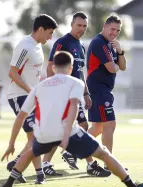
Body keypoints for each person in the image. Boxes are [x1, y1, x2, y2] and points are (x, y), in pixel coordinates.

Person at [0, 51, 143, 187]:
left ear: (53, 67)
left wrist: (11, 144)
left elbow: (21, 116)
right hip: (69, 133)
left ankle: (7, 185)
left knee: (31, 152)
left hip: (44, 133)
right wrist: (65, 135)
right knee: (103, 153)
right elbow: (73, 106)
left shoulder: (40, 86)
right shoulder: (76, 82)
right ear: (71, 68)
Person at [46, 12, 110, 177]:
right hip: (63, 93)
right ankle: (90, 164)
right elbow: (50, 66)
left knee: (78, 127)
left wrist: (86, 93)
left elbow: (80, 73)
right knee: (81, 126)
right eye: (78, 25)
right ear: (72, 25)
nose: (81, 29)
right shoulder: (62, 43)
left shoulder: (81, 46)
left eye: (84, 26)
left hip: (75, 94)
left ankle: (51, 161)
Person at [6, 14, 59, 184]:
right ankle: (39, 174)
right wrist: (31, 91)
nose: (51, 37)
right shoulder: (25, 46)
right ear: (41, 29)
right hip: (19, 96)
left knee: (41, 136)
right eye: (49, 33)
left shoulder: (37, 46)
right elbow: (12, 73)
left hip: (30, 96)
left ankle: (17, 165)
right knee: (35, 137)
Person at [86, 15, 126, 170]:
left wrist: (120, 52)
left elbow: (122, 67)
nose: (115, 33)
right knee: (110, 123)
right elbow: (112, 68)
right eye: (112, 29)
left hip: (105, 89)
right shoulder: (99, 43)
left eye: (118, 30)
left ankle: (73, 149)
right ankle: (109, 163)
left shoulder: (112, 45)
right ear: (105, 26)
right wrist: (116, 63)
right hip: (98, 88)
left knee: (98, 127)